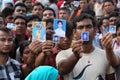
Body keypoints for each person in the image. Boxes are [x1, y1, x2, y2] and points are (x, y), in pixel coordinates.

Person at [56, 13, 115, 80]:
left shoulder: (105, 55)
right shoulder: (63, 54)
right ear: (74, 32)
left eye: (88, 27)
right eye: (80, 27)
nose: (85, 31)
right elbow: (62, 70)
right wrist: (75, 56)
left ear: (95, 30)